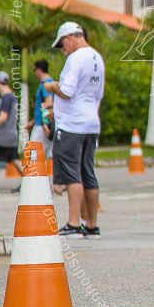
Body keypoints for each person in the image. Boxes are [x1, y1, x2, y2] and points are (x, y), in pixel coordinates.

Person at [47, 21, 106, 238]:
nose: (63, 51)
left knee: (73, 174)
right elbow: (96, 94)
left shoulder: (75, 58)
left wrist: (51, 86)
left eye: (62, 45)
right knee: (88, 173)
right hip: (91, 122)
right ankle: (92, 225)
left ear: (69, 38)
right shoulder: (97, 58)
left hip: (72, 125)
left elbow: (67, 90)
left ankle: (73, 223)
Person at [25, 59, 55, 157]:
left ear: (39, 70)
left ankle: (36, 172)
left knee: (33, 154)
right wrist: (33, 122)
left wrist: (45, 123)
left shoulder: (46, 84)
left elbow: (48, 103)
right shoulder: (52, 83)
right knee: (48, 155)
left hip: (42, 126)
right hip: (41, 123)